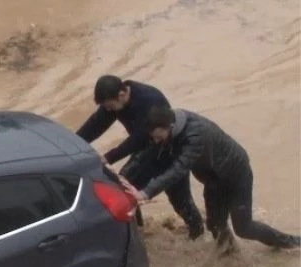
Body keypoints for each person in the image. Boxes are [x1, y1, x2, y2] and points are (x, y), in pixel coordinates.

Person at [124, 105, 300, 252]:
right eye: (153, 137)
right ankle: (230, 258)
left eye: (158, 136)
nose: (156, 141)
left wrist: (146, 192)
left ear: (170, 126)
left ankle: (291, 243)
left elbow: (179, 169)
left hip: (236, 175)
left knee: (244, 227)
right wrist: (123, 176)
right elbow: (147, 152)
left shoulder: (195, 136)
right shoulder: (169, 127)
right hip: (213, 178)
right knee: (215, 225)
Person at [76, 74, 205, 239]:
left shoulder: (149, 100)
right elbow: (95, 125)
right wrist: (72, 142)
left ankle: (198, 233)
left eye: (109, 106)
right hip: (144, 152)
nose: (108, 110)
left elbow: (140, 137)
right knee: (124, 189)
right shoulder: (115, 101)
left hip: (168, 151)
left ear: (122, 95)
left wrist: (108, 157)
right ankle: (139, 233)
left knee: (180, 200)